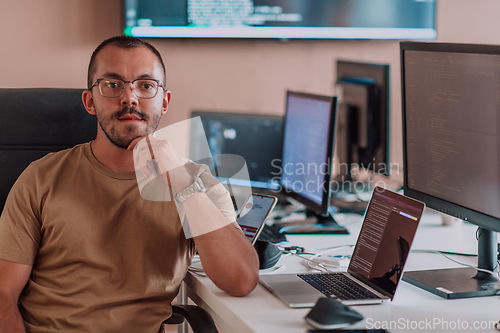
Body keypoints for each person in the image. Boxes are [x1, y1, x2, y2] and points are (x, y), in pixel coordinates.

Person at [0, 36, 259, 333]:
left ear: (164, 101)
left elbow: (240, 280)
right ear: (90, 101)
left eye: (145, 85)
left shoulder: (196, 183)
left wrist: (181, 184)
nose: (130, 98)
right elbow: (3, 294)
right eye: (112, 84)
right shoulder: (41, 177)